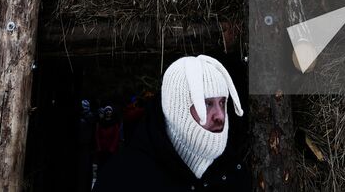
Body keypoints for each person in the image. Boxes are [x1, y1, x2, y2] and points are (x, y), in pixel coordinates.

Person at [94, 55, 250, 191]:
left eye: (222, 103)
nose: (220, 116)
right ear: (177, 109)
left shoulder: (232, 173)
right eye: (207, 104)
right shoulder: (123, 178)